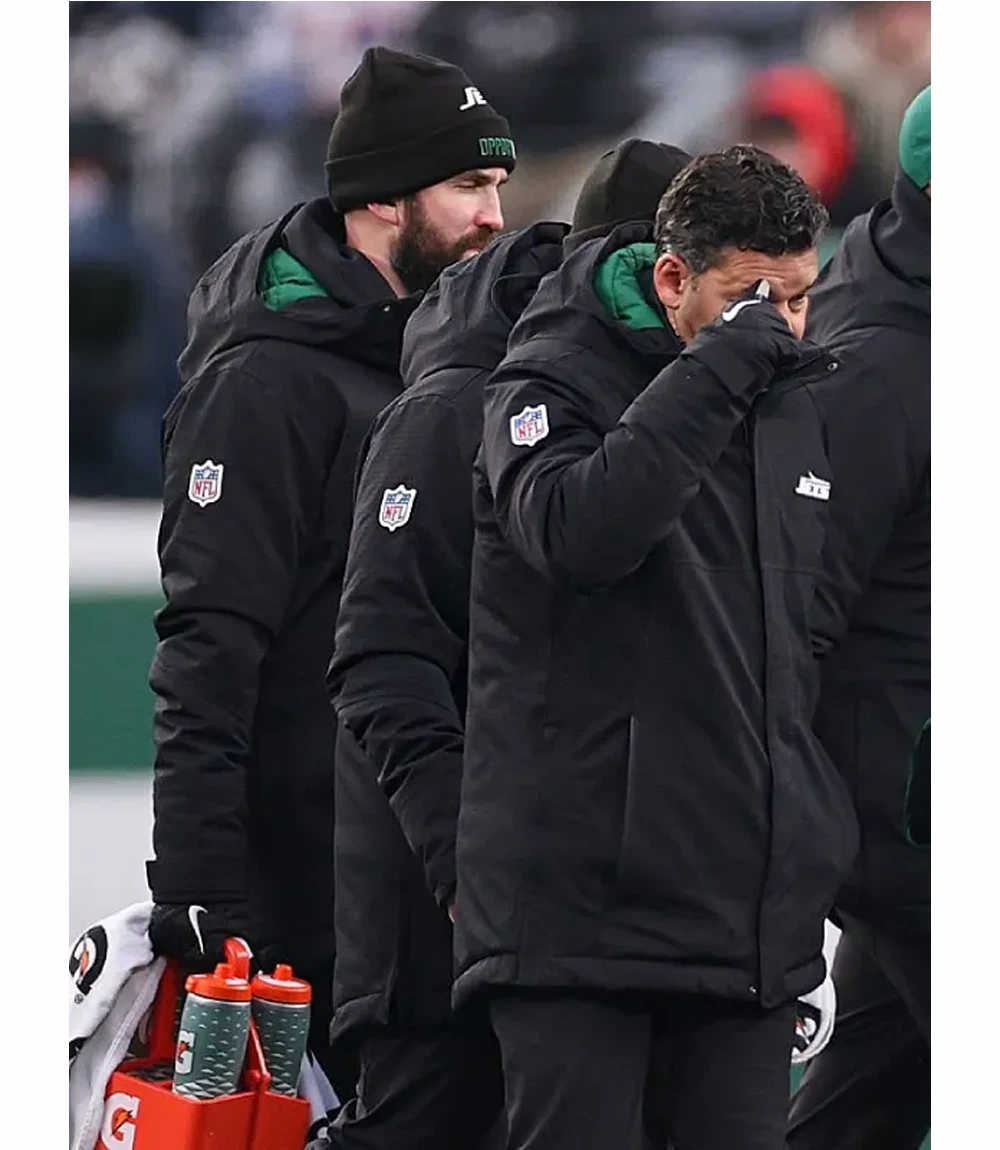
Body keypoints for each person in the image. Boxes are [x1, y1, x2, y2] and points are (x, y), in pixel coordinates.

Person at [452, 144, 859, 1150]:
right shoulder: (546, 378)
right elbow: (579, 535)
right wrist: (718, 367)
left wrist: (811, 845)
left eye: (799, 297)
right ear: (672, 277)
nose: (781, 325)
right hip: (579, 925)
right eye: (751, 297)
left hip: (743, 928)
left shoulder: (796, 403)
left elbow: (802, 647)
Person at [142, 45, 516, 1099]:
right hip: (302, 894)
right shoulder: (262, 383)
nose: (495, 216)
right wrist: (201, 887)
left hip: (417, 873)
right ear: (385, 199)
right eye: (469, 184)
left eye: (497, 183)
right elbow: (209, 645)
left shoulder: (449, 372)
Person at [328, 138, 694, 1150]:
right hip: (437, 914)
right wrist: (464, 867)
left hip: (594, 912)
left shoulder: (676, 413)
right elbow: (383, 659)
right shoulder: (456, 407)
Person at [787, 84, 931, 1150]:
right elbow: (799, 607)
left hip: (912, 804)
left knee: (861, 1109)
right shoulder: (880, 363)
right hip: (908, 812)